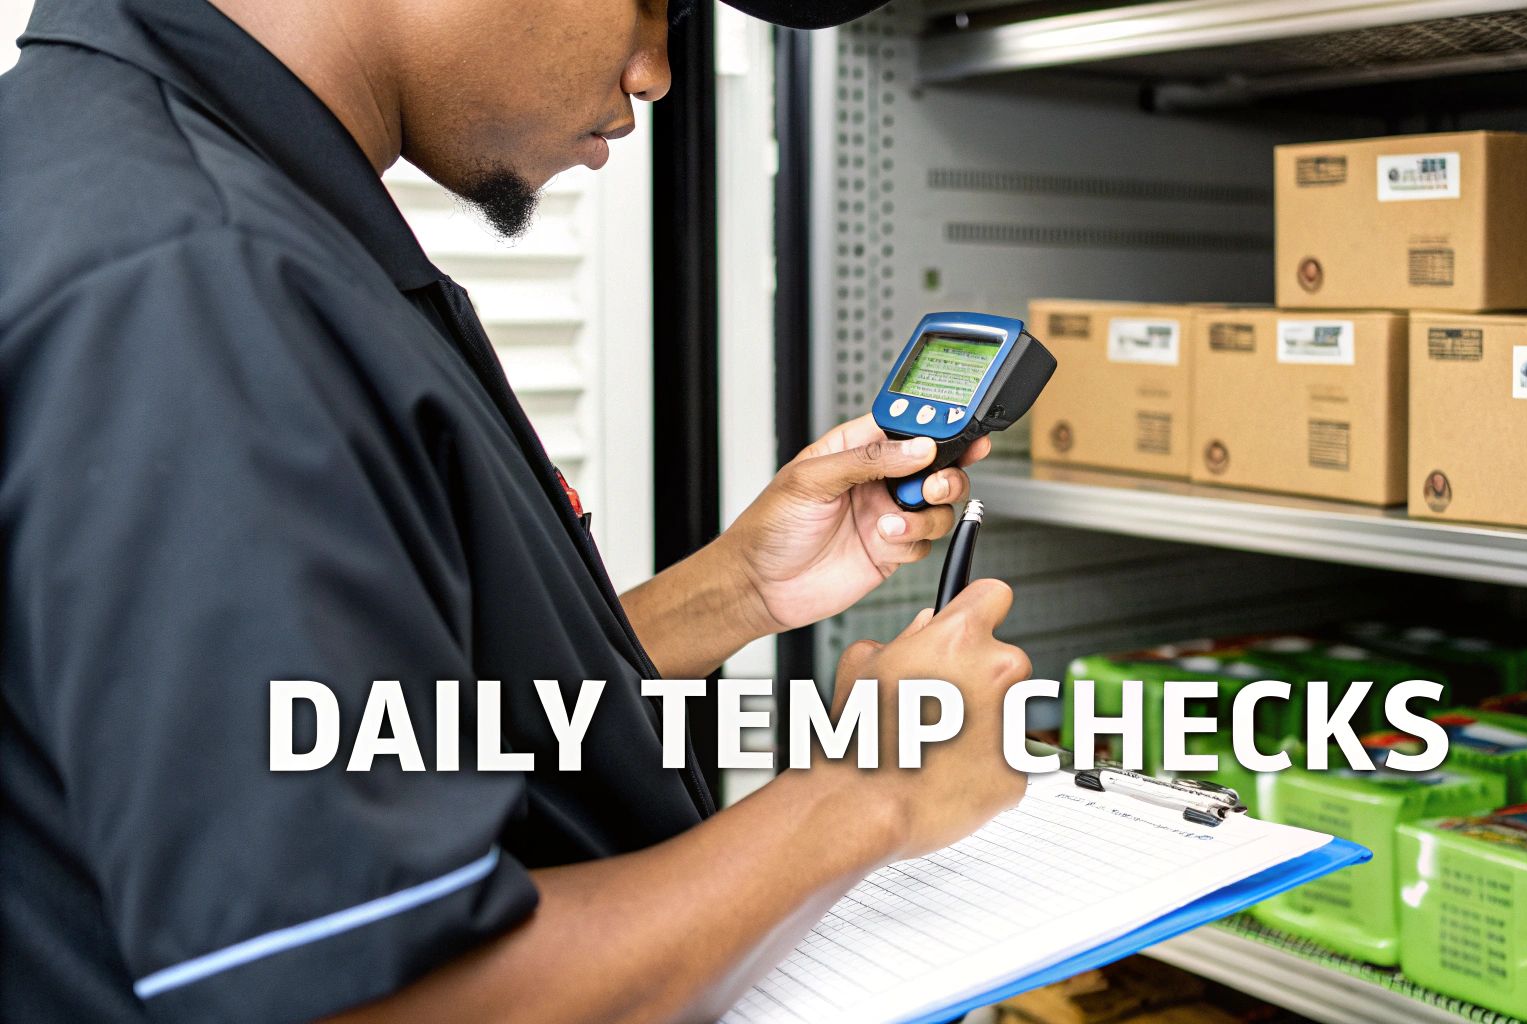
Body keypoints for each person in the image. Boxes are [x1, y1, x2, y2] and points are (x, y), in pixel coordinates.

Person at [0, 0, 1031, 1020]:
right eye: (650, 2)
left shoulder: (148, 180)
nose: (655, 72)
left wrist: (737, 589)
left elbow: (375, 726)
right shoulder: (197, 279)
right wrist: (869, 791)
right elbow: (385, 999)